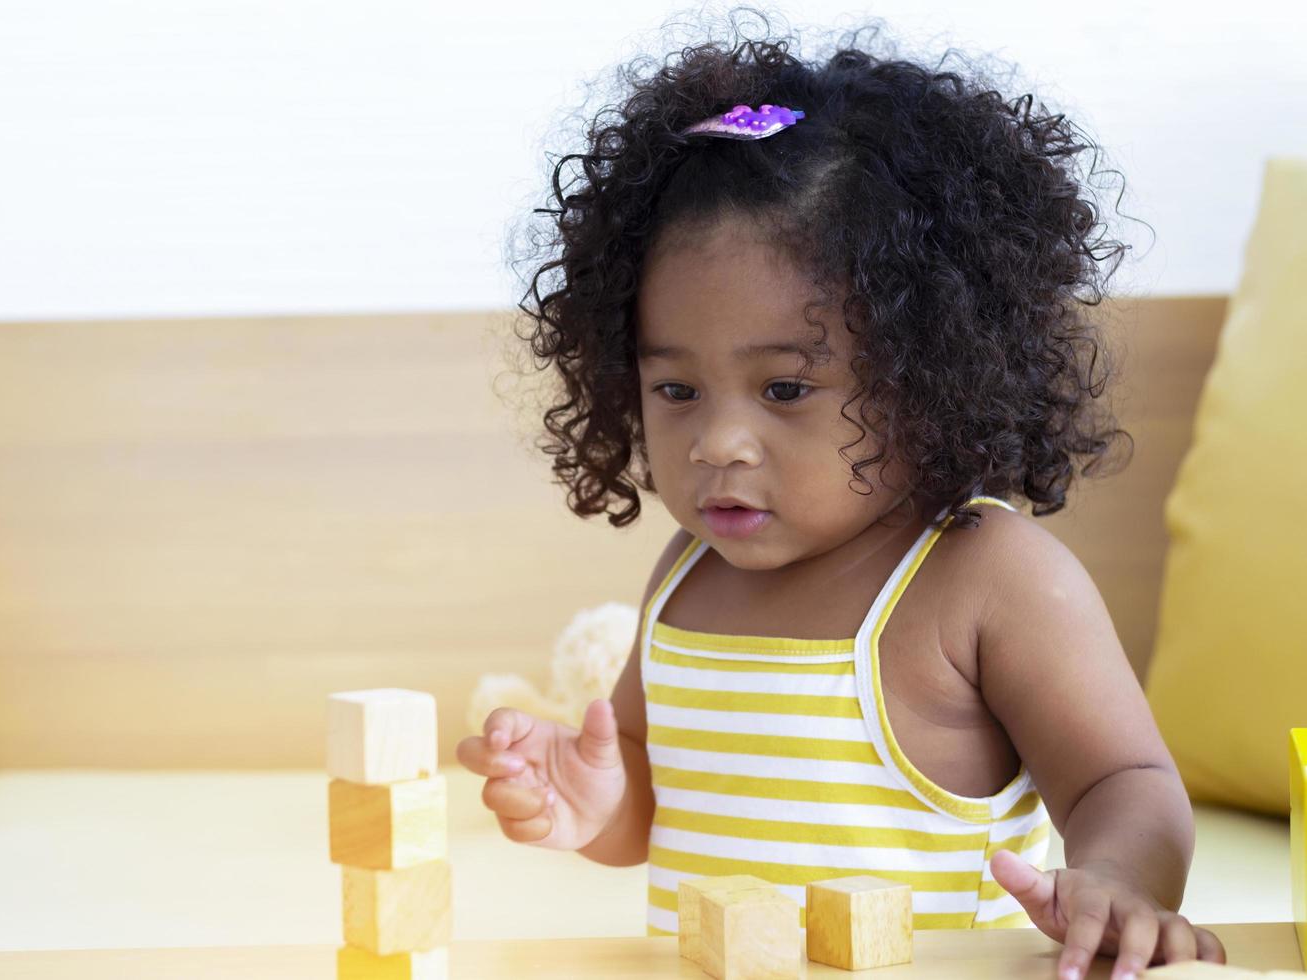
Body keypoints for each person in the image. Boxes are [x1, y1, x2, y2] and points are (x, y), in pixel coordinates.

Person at [460, 13, 1223, 980]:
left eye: (784, 389)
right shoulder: (687, 574)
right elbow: (661, 800)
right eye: (676, 390)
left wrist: (1119, 878)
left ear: (929, 373)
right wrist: (593, 804)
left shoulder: (986, 576)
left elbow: (1126, 779)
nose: (718, 443)